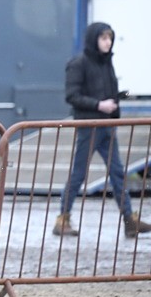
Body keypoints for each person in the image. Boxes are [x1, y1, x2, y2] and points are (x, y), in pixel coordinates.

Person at [54, 21, 150, 238]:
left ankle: (129, 219)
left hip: (107, 126)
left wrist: (120, 98)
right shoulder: (78, 63)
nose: (108, 42)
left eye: (110, 38)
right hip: (89, 126)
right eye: (104, 38)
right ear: (94, 39)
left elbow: (106, 94)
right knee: (79, 174)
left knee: (118, 173)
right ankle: (62, 219)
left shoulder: (106, 63)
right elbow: (72, 96)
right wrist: (99, 105)